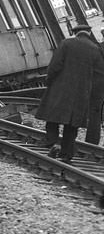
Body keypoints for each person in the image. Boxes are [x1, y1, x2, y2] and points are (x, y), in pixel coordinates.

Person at [36, 23, 104, 162]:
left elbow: (55, 65)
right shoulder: (95, 49)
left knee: (52, 117)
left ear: (75, 33)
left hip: (61, 87)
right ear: (89, 33)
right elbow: (99, 73)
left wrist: (49, 80)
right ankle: (67, 153)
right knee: (73, 123)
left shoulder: (66, 43)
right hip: (81, 92)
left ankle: (52, 142)